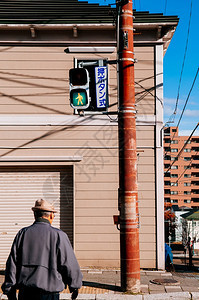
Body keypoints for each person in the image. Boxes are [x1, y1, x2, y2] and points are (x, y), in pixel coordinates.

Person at [2, 199, 82, 300]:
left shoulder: (22, 234)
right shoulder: (59, 235)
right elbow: (69, 263)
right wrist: (74, 285)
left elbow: (12, 263)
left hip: (26, 293)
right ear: (51, 216)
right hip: (49, 293)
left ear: (34, 215)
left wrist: (9, 289)